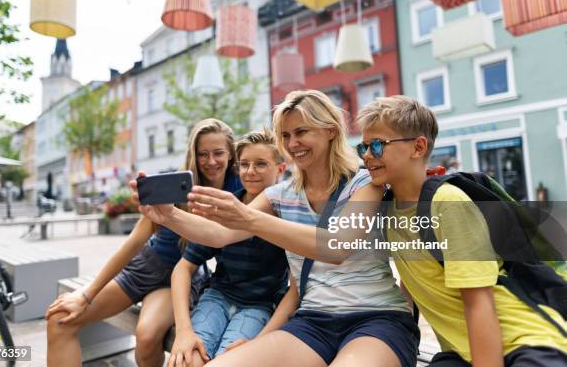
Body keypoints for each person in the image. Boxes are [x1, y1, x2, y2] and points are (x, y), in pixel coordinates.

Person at [133, 90, 420, 367]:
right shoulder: (280, 195)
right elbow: (218, 234)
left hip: (376, 319)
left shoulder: (366, 184)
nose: (292, 143)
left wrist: (248, 218)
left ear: (331, 130)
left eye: (301, 132)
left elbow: (337, 246)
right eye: (285, 135)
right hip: (312, 322)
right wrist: (167, 215)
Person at [356, 95, 567, 366]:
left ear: (418, 147)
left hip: (521, 343)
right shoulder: (389, 210)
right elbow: (414, 277)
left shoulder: (447, 203)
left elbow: (479, 302)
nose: (367, 155)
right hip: (461, 351)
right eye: (363, 147)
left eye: (377, 145)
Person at [45, 118, 241, 367]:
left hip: (179, 279)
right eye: (203, 154)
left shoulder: (239, 191)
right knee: (60, 317)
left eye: (218, 153)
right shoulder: (173, 187)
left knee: (147, 336)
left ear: (231, 154)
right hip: (143, 269)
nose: (211, 161)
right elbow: (135, 241)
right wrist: (86, 294)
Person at [168, 129, 289, 367]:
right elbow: (182, 268)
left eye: (261, 164)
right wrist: (183, 331)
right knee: (185, 360)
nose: (250, 171)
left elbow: (295, 289)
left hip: (258, 307)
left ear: (281, 169)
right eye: (244, 164)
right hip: (217, 298)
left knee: (228, 361)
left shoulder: (289, 214)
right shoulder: (225, 207)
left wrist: (263, 340)